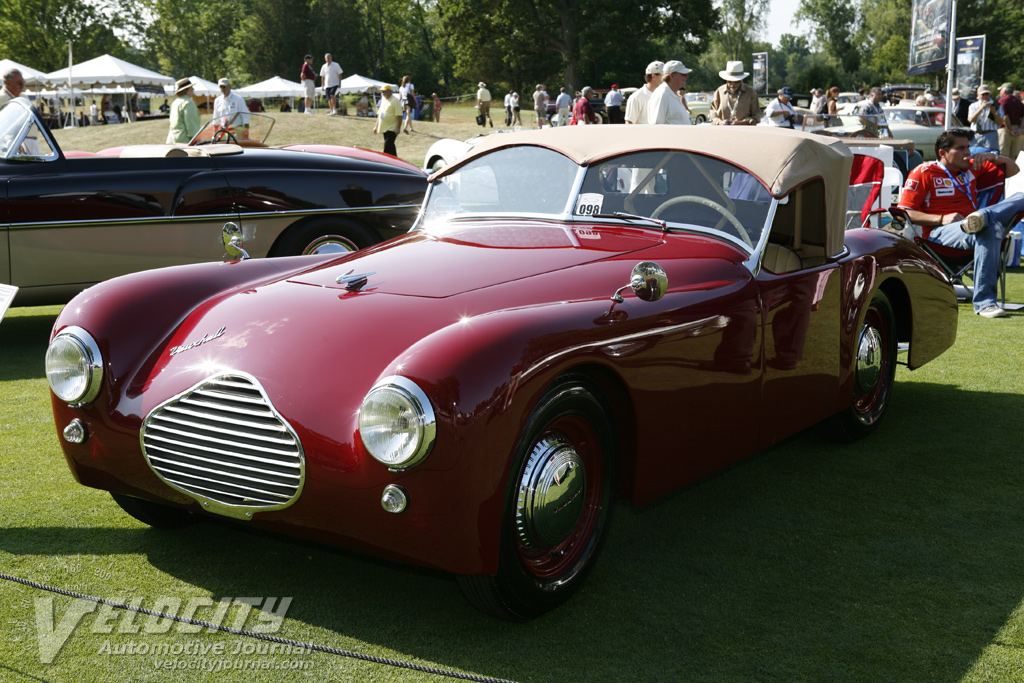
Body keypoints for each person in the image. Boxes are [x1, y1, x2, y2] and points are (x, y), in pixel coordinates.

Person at [898, 128, 1022, 318]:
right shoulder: (924, 172)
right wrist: (941, 218)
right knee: (989, 228)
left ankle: (984, 216)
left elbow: (1014, 169)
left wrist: (993, 156)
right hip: (939, 232)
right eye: (961, 148)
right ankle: (985, 303)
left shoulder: (971, 167)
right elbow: (903, 213)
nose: (967, 152)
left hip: (973, 227)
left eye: (968, 147)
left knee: (1018, 200)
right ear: (943, 152)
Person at [708, 61, 760, 126]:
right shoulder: (719, 91)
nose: (733, 84)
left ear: (741, 80)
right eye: (729, 81)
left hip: (744, 132)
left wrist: (742, 123)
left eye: (736, 81)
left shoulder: (750, 92)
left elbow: (756, 116)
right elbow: (713, 114)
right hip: (722, 132)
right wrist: (719, 122)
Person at [646, 60, 691, 125]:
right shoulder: (661, 94)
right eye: (682, 74)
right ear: (672, 75)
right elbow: (656, 126)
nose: (686, 76)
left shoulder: (671, 93)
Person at [166, 78, 201, 143]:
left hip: (171, 139)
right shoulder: (188, 102)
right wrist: (195, 139)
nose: (193, 89)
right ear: (187, 89)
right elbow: (191, 124)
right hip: (184, 140)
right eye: (191, 87)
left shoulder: (175, 102)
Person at [969, 84, 1004, 150]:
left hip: (991, 134)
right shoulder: (973, 106)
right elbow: (971, 120)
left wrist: (993, 112)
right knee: (974, 155)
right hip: (976, 135)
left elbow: (1000, 122)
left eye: (987, 94)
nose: (985, 96)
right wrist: (981, 108)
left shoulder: (996, 105)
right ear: (978, 95)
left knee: (990, 155)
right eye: (983, 94)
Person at [372, 83, 402, 157]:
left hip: (392, 128)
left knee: (387, 144)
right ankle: (395, 159)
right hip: (384, 127)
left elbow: (400, 115)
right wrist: (376, 126)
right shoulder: (383, 100)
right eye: (382, 91)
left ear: (389, 91)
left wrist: (398, 128)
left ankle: (384, 159)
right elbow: (380, 114)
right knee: (390, 146)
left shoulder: (395, 101)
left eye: (384, 91)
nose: (383, 93)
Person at [998, 83, 1023, 159]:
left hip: (1005, 130)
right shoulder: (1018, 101)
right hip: (1017, 130)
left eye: (1001, 90)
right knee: (1013, 156)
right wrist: (1020, 129)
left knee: (1003, 155)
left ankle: (1004, 171)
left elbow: (1005, 117)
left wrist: (1010, 130)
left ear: (1004, 91)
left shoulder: (1002, 101)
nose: (1000, 92)